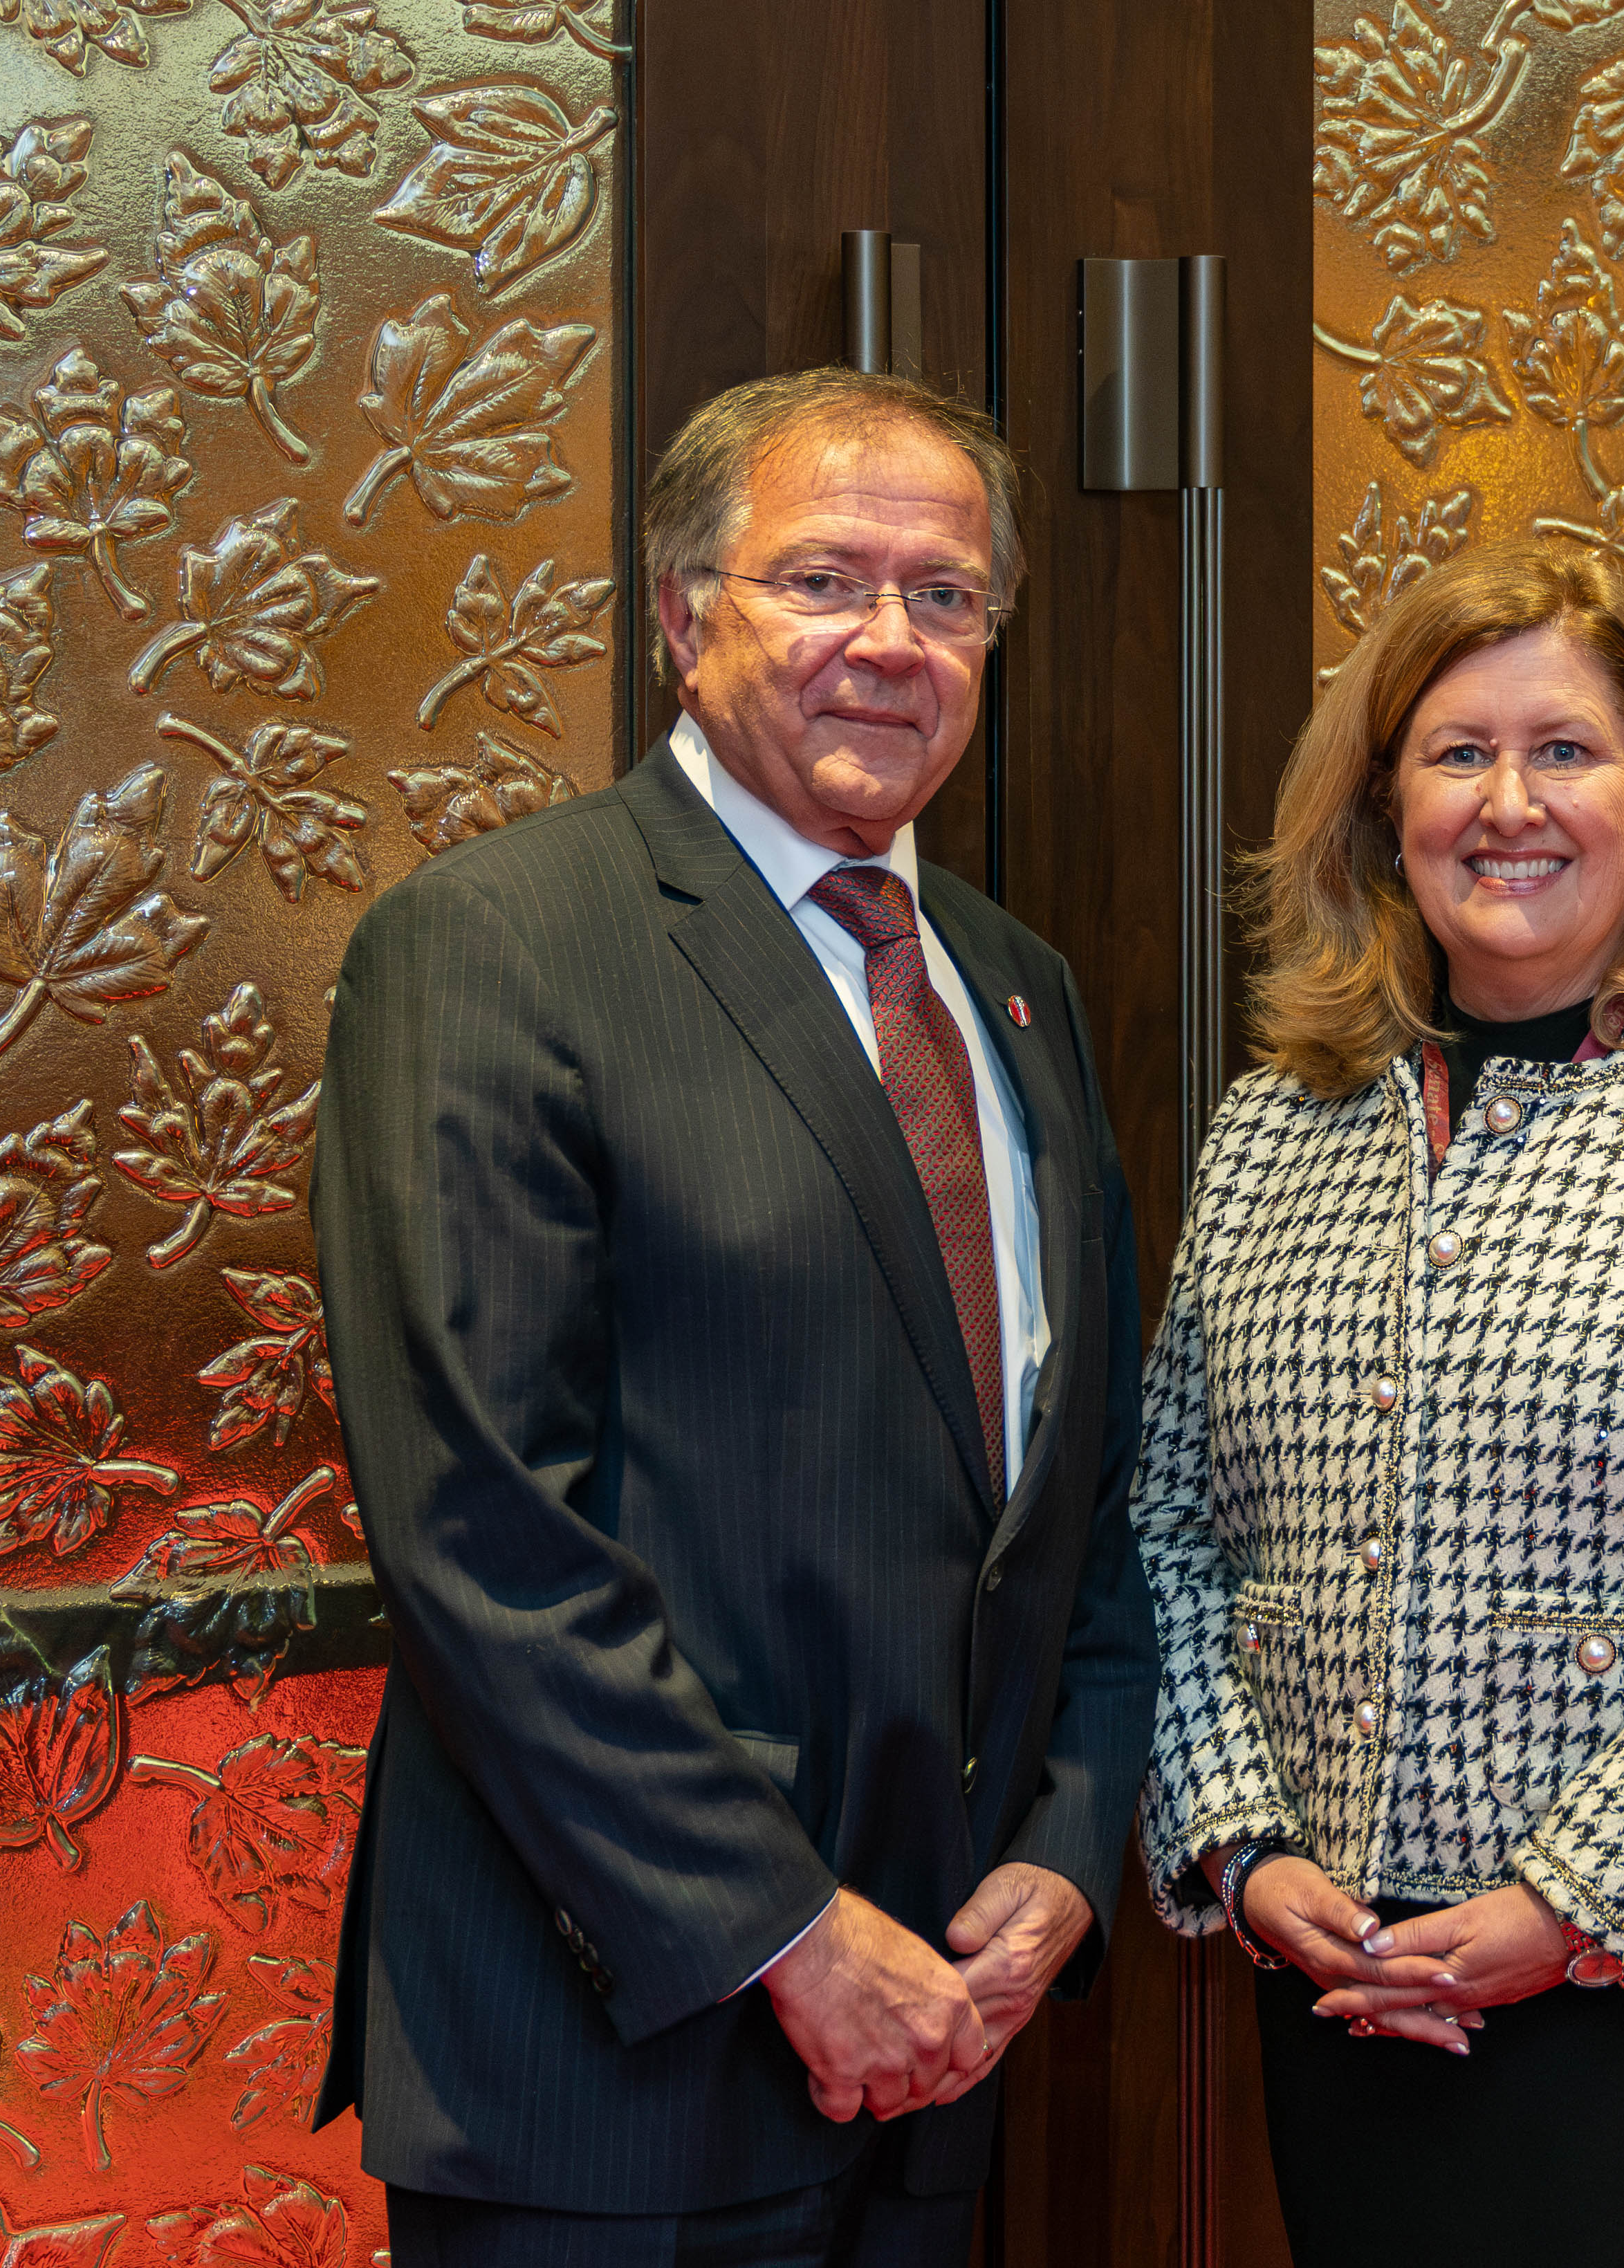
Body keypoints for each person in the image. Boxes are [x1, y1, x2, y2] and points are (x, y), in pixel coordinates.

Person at [313, 366, 1154, 2267]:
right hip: (610, 2071)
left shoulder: (1012, 989)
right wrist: (785, 1932)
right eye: (823, 580)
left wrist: (1065, 1846)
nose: (890, 640)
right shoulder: (501, 944)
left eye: (944, 597)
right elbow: (479, 1532)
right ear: (688, 615)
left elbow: (1076, 1494)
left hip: (938, 2044)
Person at [1132, 538, 1624, 2268]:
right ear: (1382, 809)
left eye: (1566, 750)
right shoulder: (1278, 1126)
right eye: (1456, 752)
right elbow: (1173, 1528)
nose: (1511, 802)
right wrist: (1244, 1847)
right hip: (1343, 1957)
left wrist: (1570, 1904)